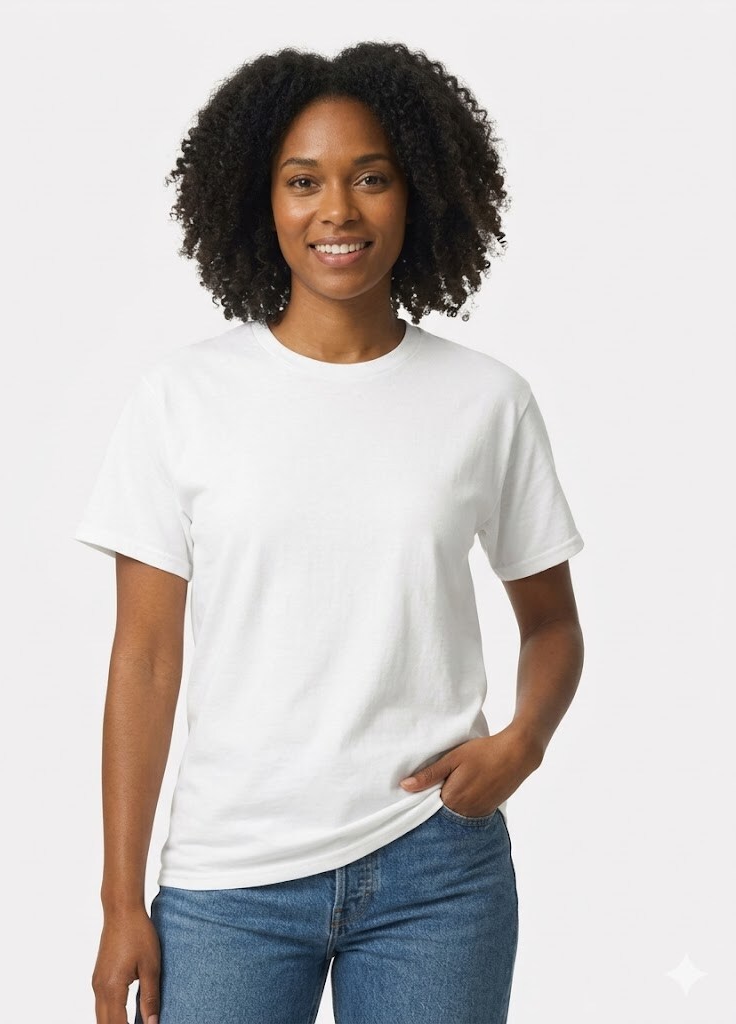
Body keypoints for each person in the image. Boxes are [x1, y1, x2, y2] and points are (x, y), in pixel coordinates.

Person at [75, 40, 585, 1024]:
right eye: (303, 181)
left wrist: (522, 744)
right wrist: (119, 902)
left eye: (371, 178)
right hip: (230, 878)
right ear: (259, 200)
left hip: (437, 870)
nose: (337, 211)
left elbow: (553, 622)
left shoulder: (486, 400)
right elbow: (143, 658)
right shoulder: (182, 399)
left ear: (418, 192)